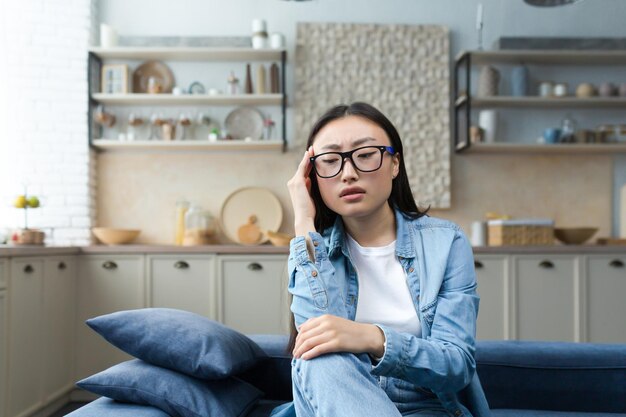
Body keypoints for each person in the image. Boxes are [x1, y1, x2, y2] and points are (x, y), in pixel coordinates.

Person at [272, 102, 489, 417]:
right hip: (334, 398)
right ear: (313, 175)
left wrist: (372, 338)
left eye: (365, 155)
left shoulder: (445, 243)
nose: (348, 173)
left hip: (425, 406)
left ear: (394, 164)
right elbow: (316, 340)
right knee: (321, 357)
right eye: (330, 161)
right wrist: (304, 222)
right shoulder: (313, 250)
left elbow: (455, 365)